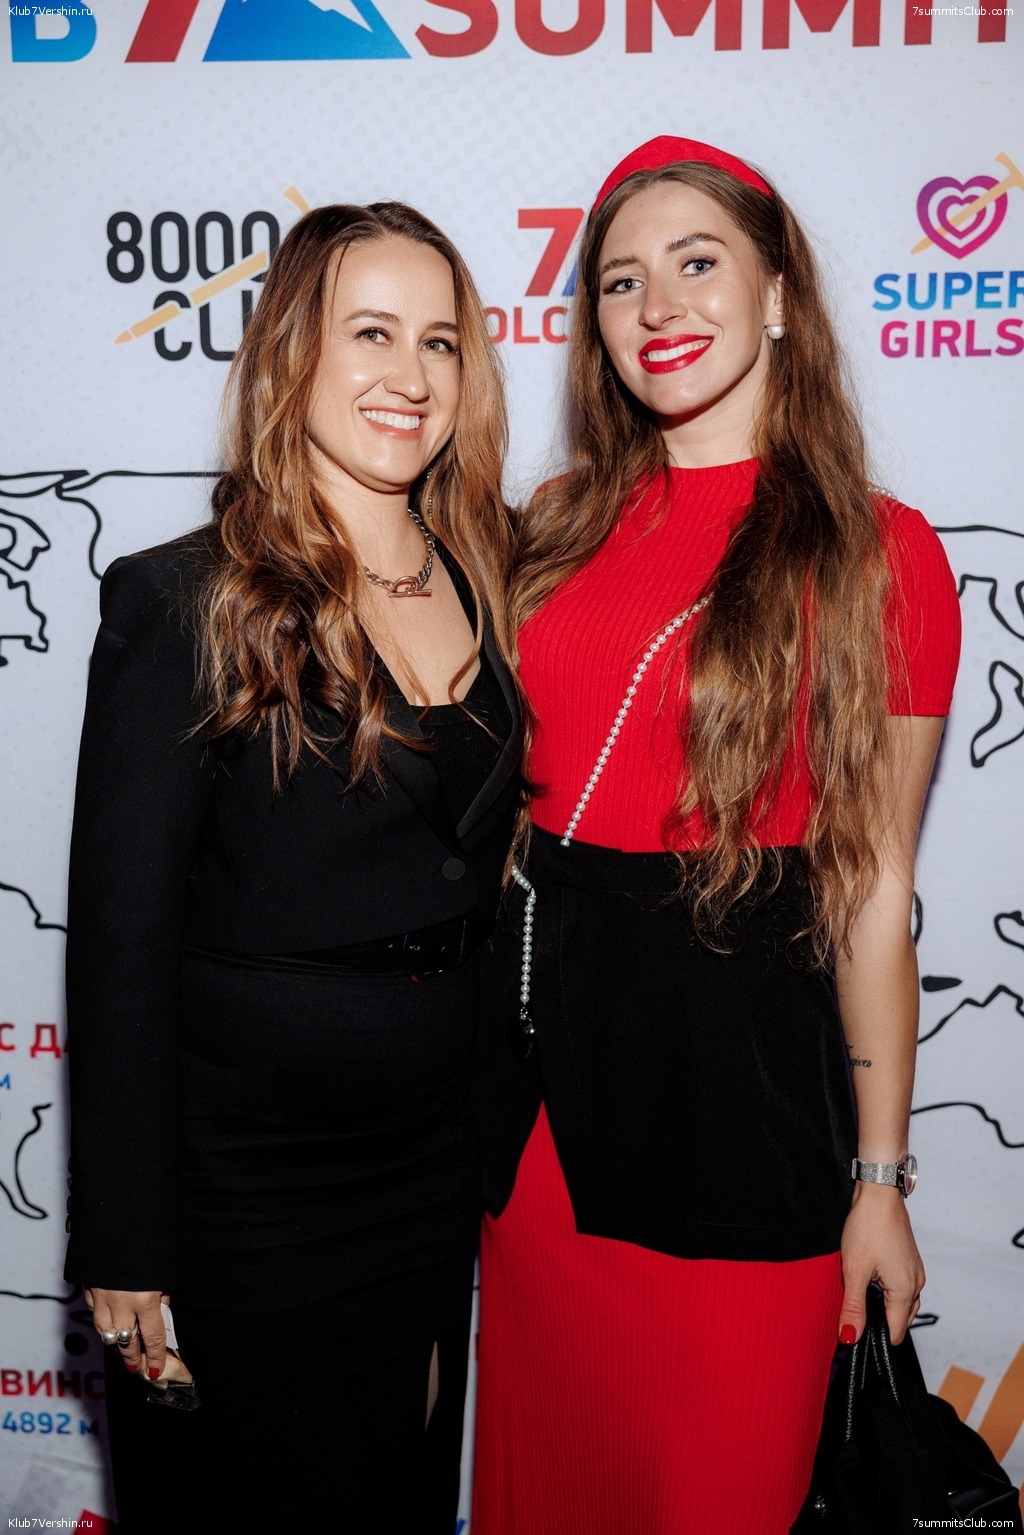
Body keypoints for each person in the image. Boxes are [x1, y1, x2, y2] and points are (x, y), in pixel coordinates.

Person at [472, 137, 961, 1534]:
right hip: (546, 1128)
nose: (658, 306)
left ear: (780, 296)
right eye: (621, 281)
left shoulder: (882, 554)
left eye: (699, 263)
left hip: (748, 1118)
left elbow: (874, 890)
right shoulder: (553, 527)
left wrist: (880, 1182)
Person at [64, 201, 522, 1533]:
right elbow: (121, 938)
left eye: (439, 340)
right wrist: (127, 1236)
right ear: (291, 356)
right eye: (369, 332)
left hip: (432, 1163)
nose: (408, 373)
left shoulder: (491, 575)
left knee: (395, 1493)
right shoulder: (189, 598)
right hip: (248, 1184)